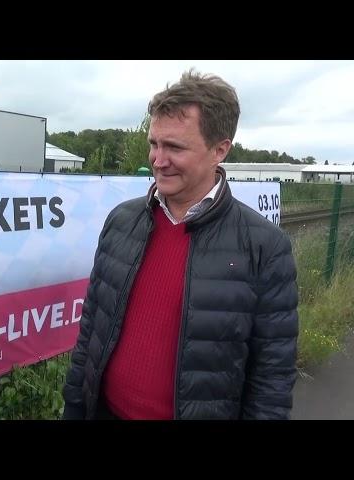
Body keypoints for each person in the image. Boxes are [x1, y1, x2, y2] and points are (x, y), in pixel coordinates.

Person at [62, 69, 299, 420]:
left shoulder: (265, 247)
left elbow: (272, 380)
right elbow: (91, 332)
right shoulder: (121, 222)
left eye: (174, 147)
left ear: (220, 150)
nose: (157, 160)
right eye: (154, 143)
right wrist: (75, 406)